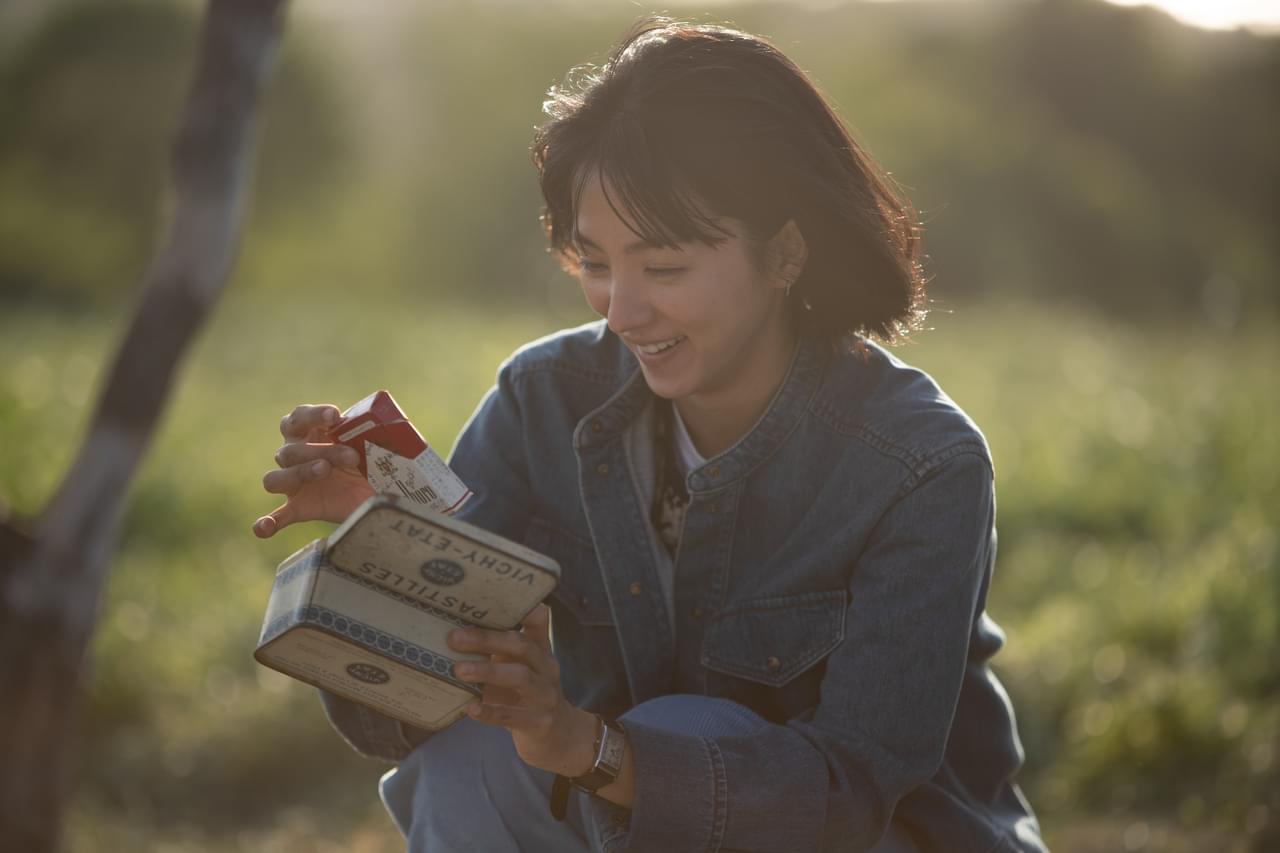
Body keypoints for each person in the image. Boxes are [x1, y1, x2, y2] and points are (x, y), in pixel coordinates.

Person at [254, 17, 1047, 853]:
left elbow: (845, 795)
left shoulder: (921, 464)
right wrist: (379, 544)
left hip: (876, 839)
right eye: (597, 262)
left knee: (687, 725)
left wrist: (585, 746)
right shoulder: (545, 399)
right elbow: (412, 709)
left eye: (664, 267)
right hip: (621, 818)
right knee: (467, 752)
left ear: (785, 255)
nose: (623, 311)